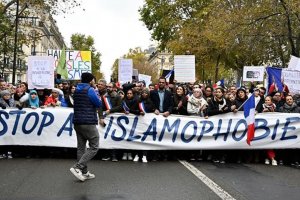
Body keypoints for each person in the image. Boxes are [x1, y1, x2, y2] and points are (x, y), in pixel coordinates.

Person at [70, 72, 102, 182]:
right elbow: (98, 103)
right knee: (94, 146)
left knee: (81, 148)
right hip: (88, 122)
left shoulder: (77, 90)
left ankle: (84, 172)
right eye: (93, 80)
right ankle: (77, 167)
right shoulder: (90, 90)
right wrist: (96, 90)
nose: (94, 82)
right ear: (90, 80)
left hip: (77, 122)